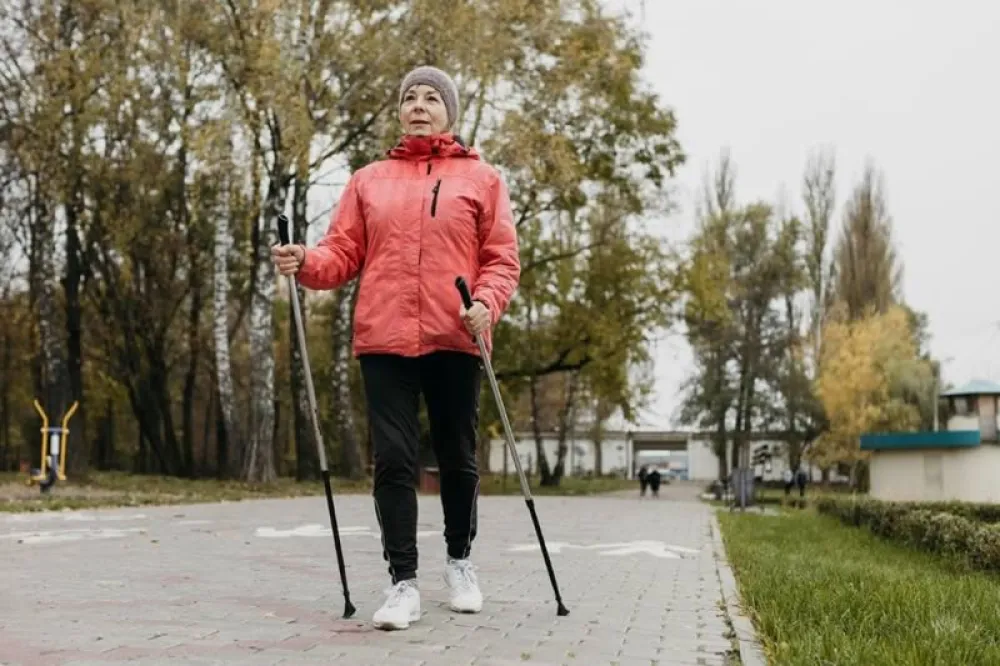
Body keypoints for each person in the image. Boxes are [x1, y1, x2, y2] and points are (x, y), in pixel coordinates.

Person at [271, 65, 520, 631]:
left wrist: (486, 304)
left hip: (456, 336)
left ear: (450, 112)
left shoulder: (482, 180)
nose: (419, 104)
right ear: (400, 110)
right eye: (410, 96)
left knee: (457, 457)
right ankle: (402, 582)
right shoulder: (369, 179)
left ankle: (460, 562)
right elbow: (341, 254)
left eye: (432, 97)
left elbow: (502, 260)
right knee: (394, 460)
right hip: (384, 339)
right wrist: (304, 261)